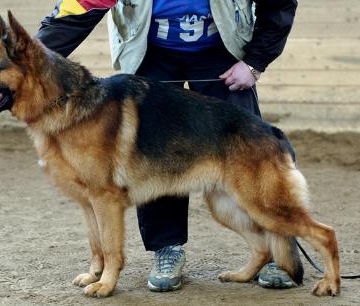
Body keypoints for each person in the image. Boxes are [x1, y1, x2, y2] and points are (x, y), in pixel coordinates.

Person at [36, 0, 298, 292]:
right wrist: (32, 53)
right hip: (151, 50)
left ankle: (281, 251)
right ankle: (167, 249)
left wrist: (255, 61)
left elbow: (278, 3)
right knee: (149, 155)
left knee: (251, 149)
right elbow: (80, 6)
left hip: (223, 48)